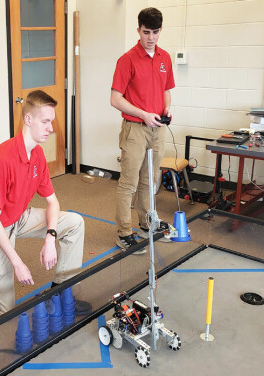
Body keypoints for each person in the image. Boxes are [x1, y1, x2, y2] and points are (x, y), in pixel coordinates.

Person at [0, 90, 89, 318]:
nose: (50, 128)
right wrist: (18, 263)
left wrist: (51, 237)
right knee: (4, 309)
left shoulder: (38, 154)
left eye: (51, 122)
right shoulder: (3, 159)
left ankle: (62, 294)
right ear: (28, 119)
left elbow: (52, 202)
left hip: (19, 217)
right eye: (45, 122)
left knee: (74, 222)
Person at [110, 7, 175, 250]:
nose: (150, 37)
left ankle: (147, 221)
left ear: (160, 31)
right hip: (135, 128)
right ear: (138, 30)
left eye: (155, 32)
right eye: (146, 32)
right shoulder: (127, 60)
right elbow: (116, 99)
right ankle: (124, 232)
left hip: (158, 128)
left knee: (150, 179)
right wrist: (143, 114)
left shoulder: (164, 58)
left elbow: (166, 89)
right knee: (129, 182)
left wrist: (166, 108)